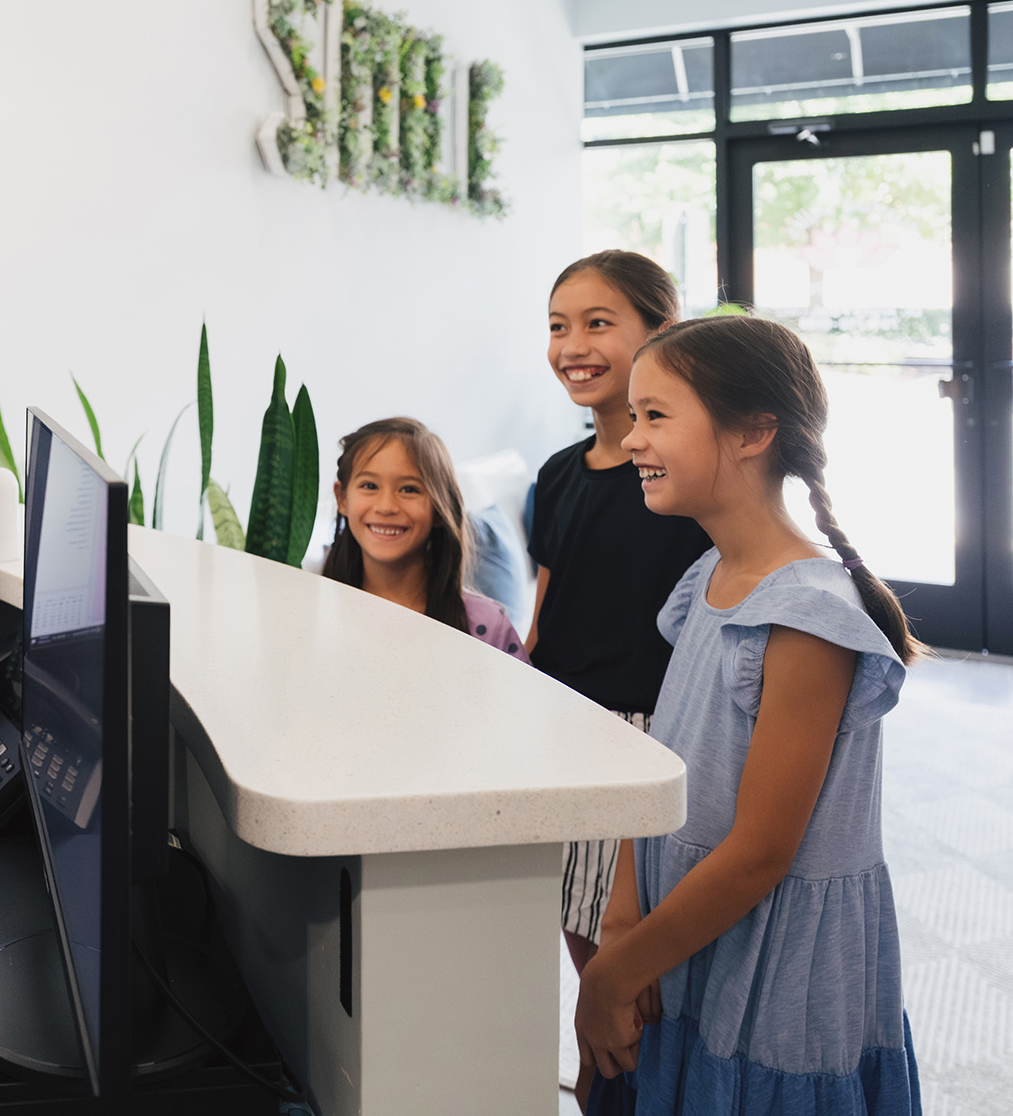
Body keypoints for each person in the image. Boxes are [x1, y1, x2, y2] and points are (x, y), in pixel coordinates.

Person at [574, 313, 921, 1113]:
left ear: (753, 432)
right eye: (633, 417)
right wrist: (623, 924)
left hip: (773, 964)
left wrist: (610, 976)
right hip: (684, 929)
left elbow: (763, 852)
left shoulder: (805, 614)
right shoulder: (706, 579)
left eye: (656, 416)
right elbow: (664, 755)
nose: (631, 439)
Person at [528, 251, 713, 1106]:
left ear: (659, 334)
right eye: (559, 326)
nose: (574, 345)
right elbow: (547, 611)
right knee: (585, 956)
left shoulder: (677, 486)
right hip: (561, 738)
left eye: (598, 323)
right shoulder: (559, 475)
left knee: (634, 981)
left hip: (646, 744)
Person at [322, 417, 527, 659]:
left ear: (440, 509)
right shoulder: (312, 610)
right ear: (342, 498)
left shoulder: (486, 625)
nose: (386, 506)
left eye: (409, 489)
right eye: (369, 485)